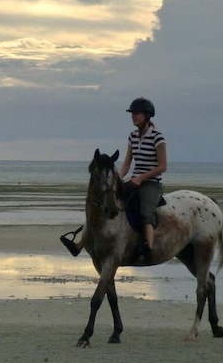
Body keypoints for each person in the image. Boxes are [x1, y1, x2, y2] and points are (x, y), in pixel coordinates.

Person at [63, 97, 167, 260]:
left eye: (137, 114)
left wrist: (141, 177)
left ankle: (148, 247)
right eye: (132, 114)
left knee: (146, 211)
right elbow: (126, 162)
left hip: (151, 184)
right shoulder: (132, 136)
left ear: (147, 115)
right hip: (134, 181)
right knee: (108, 204)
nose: (133, 117)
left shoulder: (157, 137)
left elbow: (162, 166)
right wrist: (117, 180)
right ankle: (80, 244)